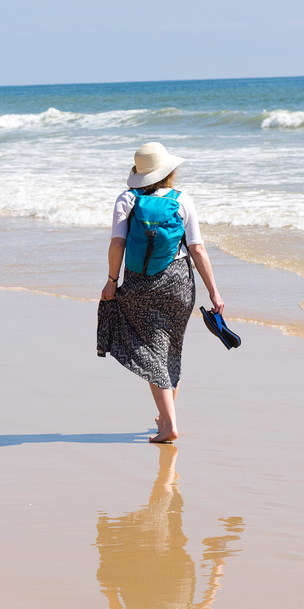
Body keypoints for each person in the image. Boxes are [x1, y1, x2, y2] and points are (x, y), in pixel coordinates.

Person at [97, 142, 224, 443]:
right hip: (179, 282)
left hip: (141, 283)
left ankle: (168, 424)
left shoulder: (127, 200)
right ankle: (166, 416)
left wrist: (111, 281)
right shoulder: (182, 200)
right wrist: (214, 293)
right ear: (169, 171)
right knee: (171, 349)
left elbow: (117, 245)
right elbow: (197, 249)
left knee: (151, 350)